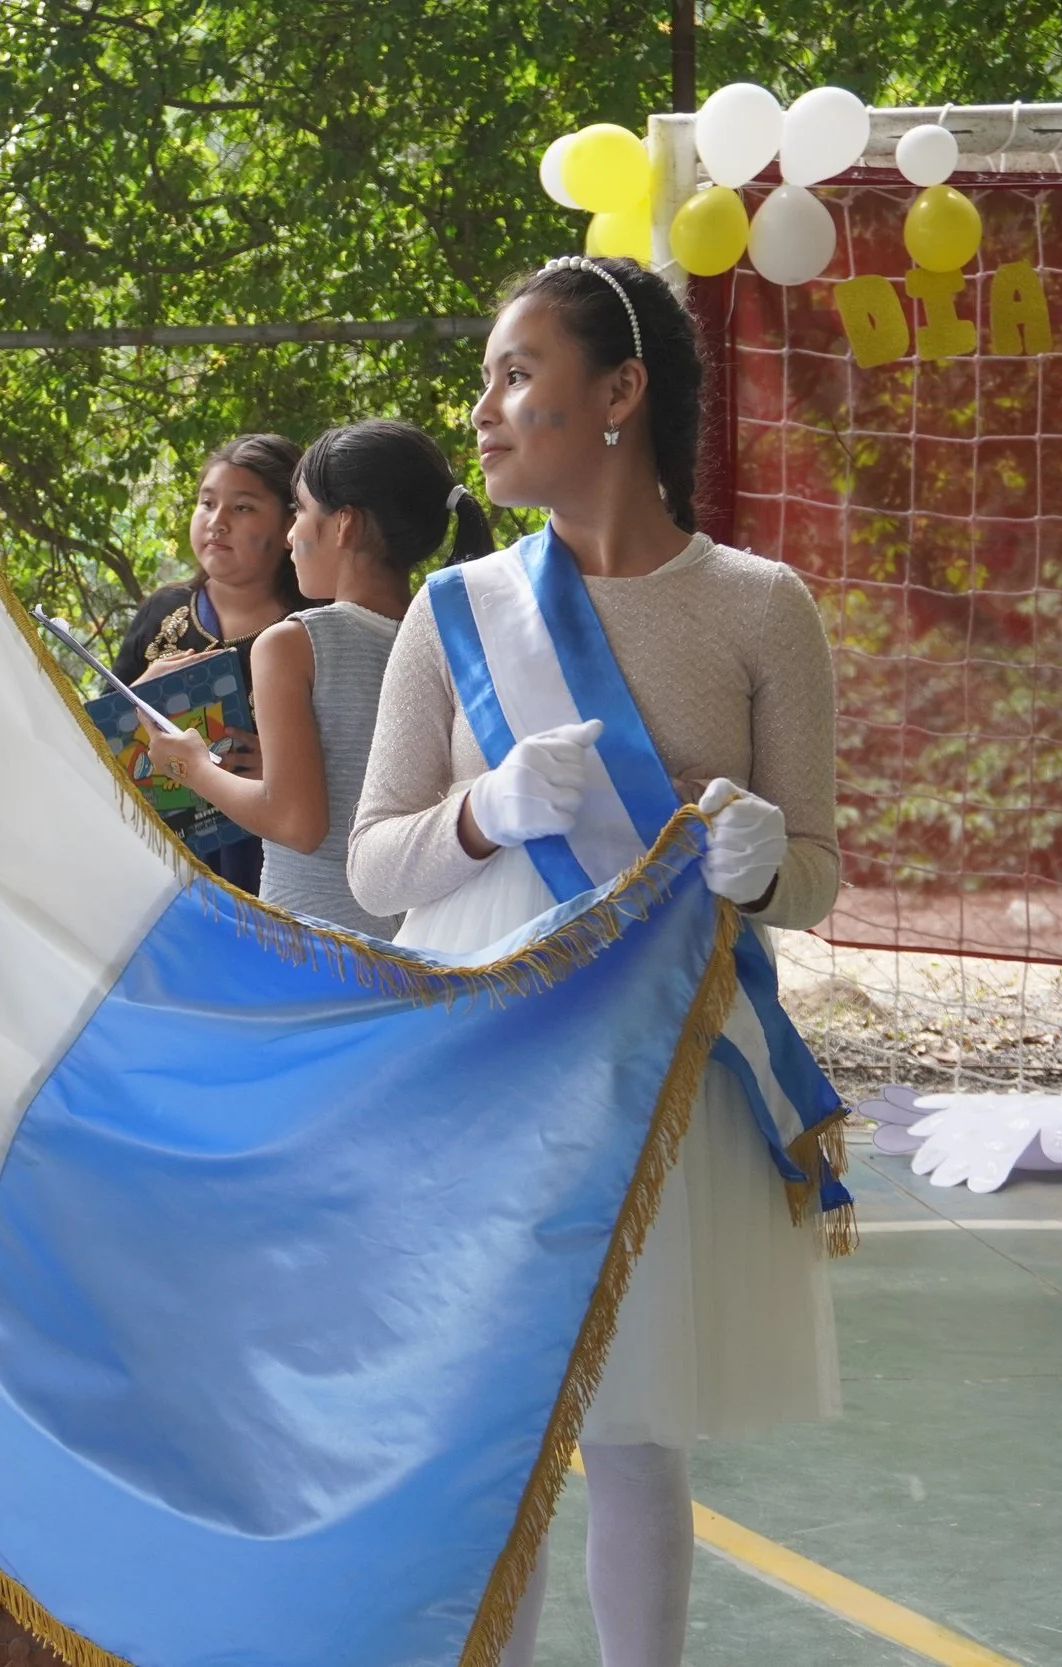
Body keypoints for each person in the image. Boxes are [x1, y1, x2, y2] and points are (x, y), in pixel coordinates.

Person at [348, 255, 843, 1667]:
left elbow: (810, 869)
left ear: (620, 392)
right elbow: (380, 860)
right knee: (486, 1436)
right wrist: (484, 809)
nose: (486, 410)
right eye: (489, 376)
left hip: (660, 1068)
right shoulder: (454, 614)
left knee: (633, 1432)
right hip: (485, 1071)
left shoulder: (762, 607)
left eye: (519, 373)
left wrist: (762, 862)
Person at [146, 421, 470, 937]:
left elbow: (297, 823)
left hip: (310, 942)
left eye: (299, 510)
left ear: (343, 524)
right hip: (417, 941)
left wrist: (191, 766)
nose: (291, 534)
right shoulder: (447, 639)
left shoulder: (292, 643)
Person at [110, 434, 310, 892]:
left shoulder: (312, 630)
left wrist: (282, 772)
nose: (217, 522)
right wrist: (137, 691)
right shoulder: (163, 612)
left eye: (242, 508)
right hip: (155, 862)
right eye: (207, 503)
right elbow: (94, 737)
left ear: (290, 525)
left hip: (268, 866)